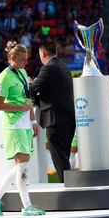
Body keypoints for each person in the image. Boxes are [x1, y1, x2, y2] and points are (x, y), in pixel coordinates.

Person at [0, 41, 45, 216]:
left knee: (22, 165)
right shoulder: (4, 77)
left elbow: (28, 100)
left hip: (24, 123)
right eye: (22, 60)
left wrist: (33, 121)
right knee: (23, 166)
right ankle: (26, 206)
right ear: (12, 58)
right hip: (13, 125)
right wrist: (21, 109)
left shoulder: (22, 72)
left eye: (27, 59)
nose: (26, 63)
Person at [31, 39, 75, 182]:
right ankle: (70, 188)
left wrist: (29, 83)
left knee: (60, 160)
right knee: (64, 158)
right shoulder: (64, 66)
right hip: (68, 118)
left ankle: (70, 192)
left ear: (43, 53)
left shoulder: (48, 68)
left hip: (55, 119)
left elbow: (32, 90)